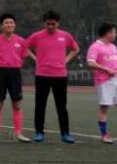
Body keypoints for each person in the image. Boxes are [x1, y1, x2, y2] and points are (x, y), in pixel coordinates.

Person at [26, 10, 79, 144]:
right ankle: (39, 132)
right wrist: (35, 58)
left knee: (61, 106)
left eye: (53, 24)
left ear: (58, 23)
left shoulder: (65, 36)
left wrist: (66, 60)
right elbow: (24, 48)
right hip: (42, 75)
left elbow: (76, 49)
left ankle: (65, 133)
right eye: (48, 24)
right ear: (44, 23)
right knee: (40, 105)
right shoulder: (36, 36)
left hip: (60, 76)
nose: (50, 26)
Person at [0, 13, 30, 142]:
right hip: (0, 73)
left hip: (15, 73)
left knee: (17, 105)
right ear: (2, 26)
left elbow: (24, 57)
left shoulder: (21, 41)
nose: (9, 25)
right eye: (6, 23)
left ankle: (18, 133)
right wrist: (1, 65)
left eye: (11, 22)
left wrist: (15, 64)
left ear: (14, 25)